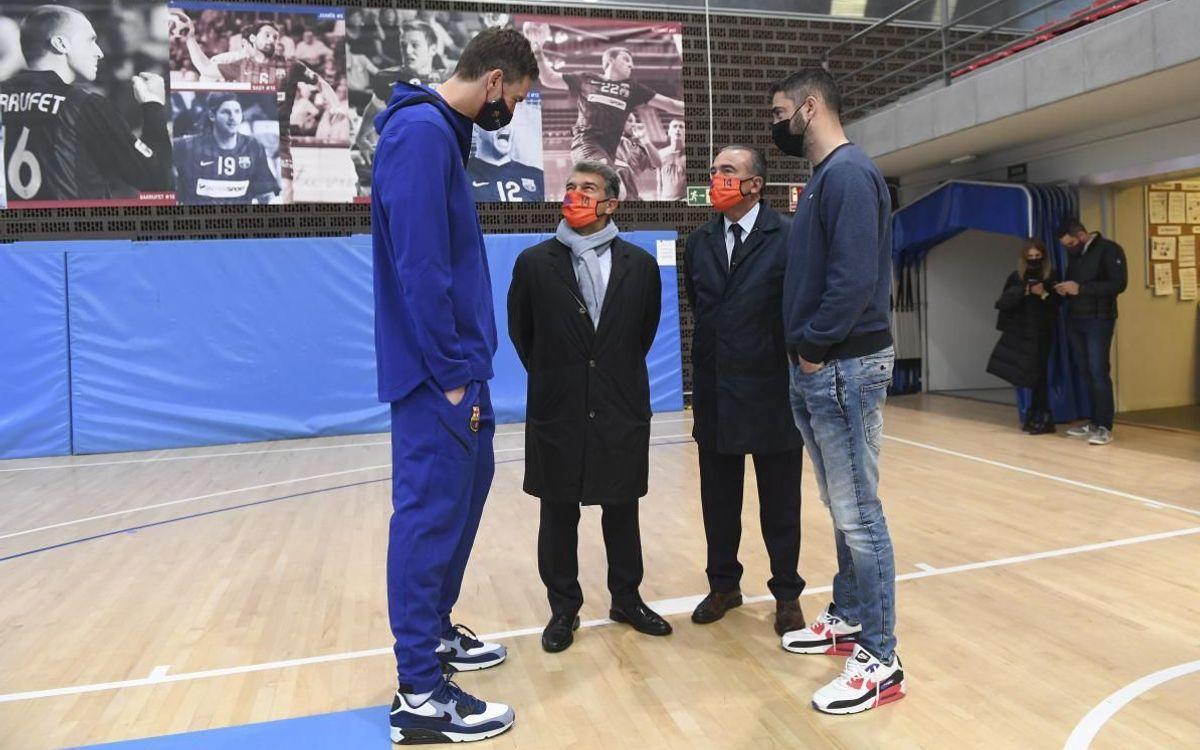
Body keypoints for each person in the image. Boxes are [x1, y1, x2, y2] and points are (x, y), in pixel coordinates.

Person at [371, 26, 537, 744]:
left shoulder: (442, 136)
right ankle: (419, 693)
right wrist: (445, 374)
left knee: (465, 495)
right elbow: (420, 269)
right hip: (437, 375)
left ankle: (434, 636)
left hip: (463, 367)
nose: (513, 114)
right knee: (428, 517)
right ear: (494, 81)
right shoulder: (420, 135)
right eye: (517, 99)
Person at [769, 68, 905, 715]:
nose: (777, 125)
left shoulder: (849, 175)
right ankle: (850, 615)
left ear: (810, 107)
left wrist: (816, 347)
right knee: (841, 503)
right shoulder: (825, 180)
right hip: (824, 366)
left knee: (860, 514)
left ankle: (881, 658)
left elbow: (852, 281)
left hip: (842, 367)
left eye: (781, 111)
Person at [507, 161, 669, 654]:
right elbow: (523, 336)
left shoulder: (639, 265)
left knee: (622, 508)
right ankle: (563, 609)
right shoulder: (534, 263)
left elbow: (641, 332)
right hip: (559, 407)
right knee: (558, 514)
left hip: (619, 405)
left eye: (588, 189)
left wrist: (604, 376)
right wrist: (566, 378)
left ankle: (627, 598)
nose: (576, 194)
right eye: (571, 187)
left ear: (612, 203)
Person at [684, 145, 805, 637]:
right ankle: (723, 586)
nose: (716, 178)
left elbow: (798, 306)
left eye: (727, 171)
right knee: (718, 500)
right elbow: (703, 307)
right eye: (713, 170)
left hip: (774, 391)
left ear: (755, 184)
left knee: (780, 504)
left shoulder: (790, 237)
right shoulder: (699, 241)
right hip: (716, 390)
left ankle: (787, 595)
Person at [1, 4, 171, 202]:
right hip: (76, 229)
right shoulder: (84, 104)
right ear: (61, 44)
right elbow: (157, 179)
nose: (99, 52)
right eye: (90, 40)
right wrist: (153, 105)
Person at [527, 28, 683, 166]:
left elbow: (671, 105)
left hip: (607, 151)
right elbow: (549, 79)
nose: (631, 65)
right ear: (611, 61)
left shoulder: (633, 88)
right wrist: (538, 53)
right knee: (609, 181)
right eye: (626, 59)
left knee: (616, 192)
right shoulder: (586, 78)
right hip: (585, 144)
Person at [1054, 218, 1127, 446]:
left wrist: (1081, 289)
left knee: (1098, 371)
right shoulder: (1076, 255)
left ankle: (1105, 426)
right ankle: (1094, 422)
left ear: (1081, 236)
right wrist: (1065, 288)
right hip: (1077, 318)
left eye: (1069, 243)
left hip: (1099, 320)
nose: (1067, 248)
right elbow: (1076, 282)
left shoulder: (1110, 250)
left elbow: (1119, 284)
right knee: (1085, 371)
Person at [986, 239, 1060, 434]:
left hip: (1042, 331)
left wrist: (1043, 293)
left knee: (1040, 375)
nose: (1034, 260)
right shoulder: (1016, 277)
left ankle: (1043, 415)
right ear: (1024, 258)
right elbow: (1003, 302)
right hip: (1021, 331)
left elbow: (1057, 305)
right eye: (1031, 257)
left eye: (1037, 256)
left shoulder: (1051, 275)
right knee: (1025, 375)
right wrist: (1025, 291)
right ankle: (1034, 413)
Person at [172, 93, 279, 205]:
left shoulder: (253, 147)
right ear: (212, 116)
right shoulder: (186, 147)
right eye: (226, 112)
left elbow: (266, 196)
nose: (233, 117)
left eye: (237, 112)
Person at [467, 123, 543, 202]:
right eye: (494, 118)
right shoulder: (461, 176)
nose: (504, 125)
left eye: (508, 118)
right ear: (476, 128)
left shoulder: (538, 177)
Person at [613, 113, 660, 200]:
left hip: (631, 198)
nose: (634, 124)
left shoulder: (637, 148)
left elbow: (657, 163)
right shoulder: (604, 143)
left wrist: (645, 139)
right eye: (630, 121)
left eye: (634, 121)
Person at [657, 118, 686, 201]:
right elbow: (659, 182)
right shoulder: (661, 153)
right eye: (675, 126)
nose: (678, 129)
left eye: (681, 127)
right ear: (669, 132)